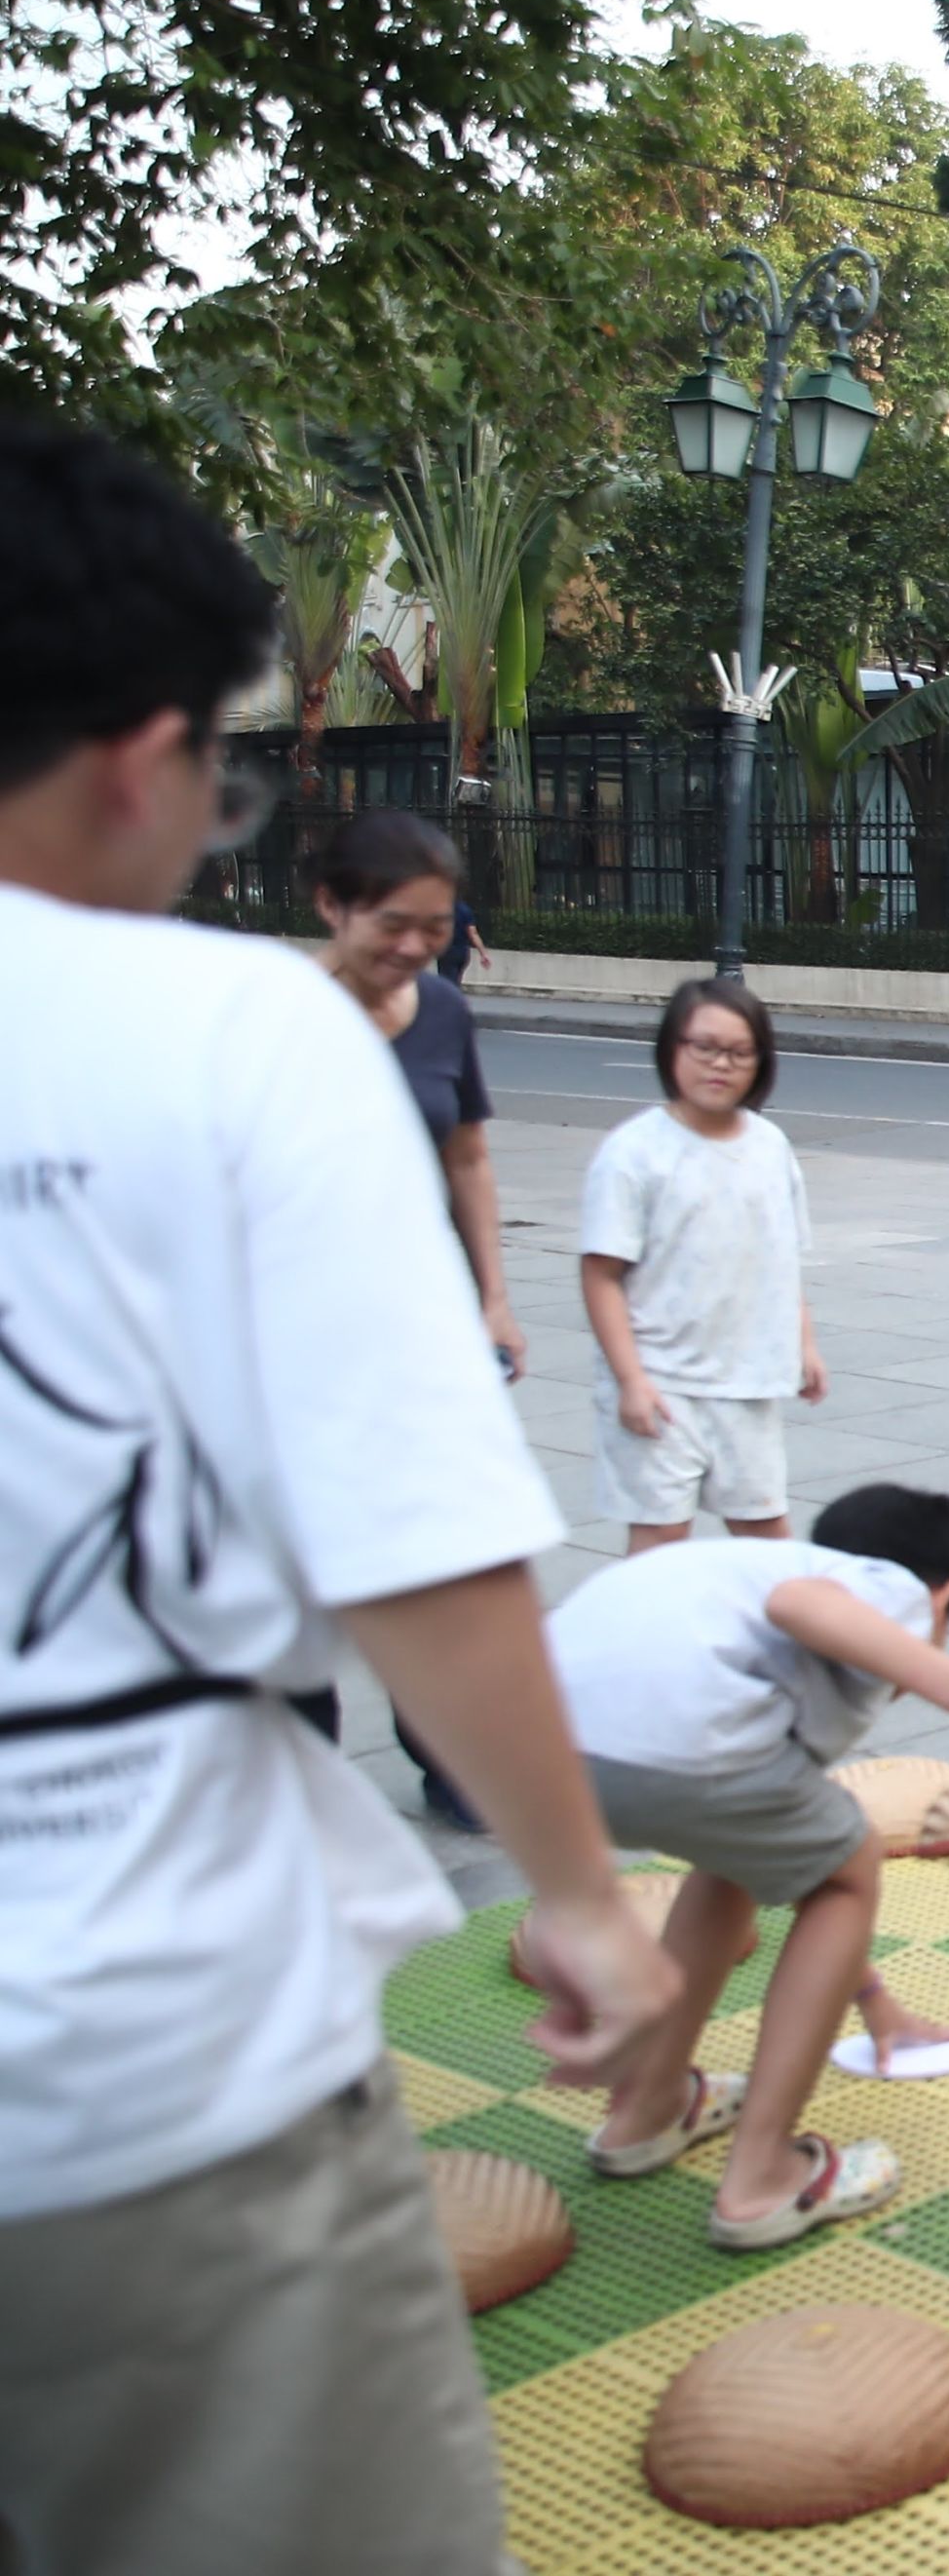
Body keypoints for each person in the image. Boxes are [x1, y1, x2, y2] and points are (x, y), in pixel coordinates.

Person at [0, 416, 676, 2571]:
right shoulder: (234, 1029)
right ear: (141, 756)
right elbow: (418, 1544)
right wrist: (580, 1897)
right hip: (129, 2077)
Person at [549, 1485, 949, 2248]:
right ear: (942, 1597)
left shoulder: (738, 1579)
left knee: (747, 1855)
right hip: (671, 1744)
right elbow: (801, 1604)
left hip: (542, 1752)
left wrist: (873, 1999)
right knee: (850, 1861)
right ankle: (762, 2175)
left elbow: (785, 1857)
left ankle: (646, 2111)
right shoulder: (883, 1584)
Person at [315, 807, 531, 1831]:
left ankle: (449, 1757)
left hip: (426, 1327)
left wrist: (493, 1297)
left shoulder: (442, 1010)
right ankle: (300, 1775)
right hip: (305, 1337)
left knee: (433, 1555)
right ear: (332, 906)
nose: (412, 947)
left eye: (433, 927)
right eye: (391, 924)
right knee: (305, 1562)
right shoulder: (277, 1018)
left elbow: (468, 1158)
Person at [583, 979, 823, 1551]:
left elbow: (780, 1261)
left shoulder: (770, 1146)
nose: (721, 1064)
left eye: (739, 1052)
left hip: (748, 1383)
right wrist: (631, 1381)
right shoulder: (634, 1152)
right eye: (705, 1047)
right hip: (661, 1380)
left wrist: (805, 1345)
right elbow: (601, 1275)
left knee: (765, 1535)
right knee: (661, 1536)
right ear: (673, 1049)